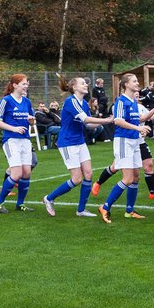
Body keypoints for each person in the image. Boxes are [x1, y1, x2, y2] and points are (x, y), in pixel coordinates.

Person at [42, 76, 114, 217]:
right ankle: (49, 198)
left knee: (88, 174)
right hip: (68, 143)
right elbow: (85, 119)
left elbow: (88, 124)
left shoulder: (84, 104)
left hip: (79, 141)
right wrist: (106, 119)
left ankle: (81, 210)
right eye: (82, 83)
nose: (86, 85)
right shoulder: (71, 101)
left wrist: (108, 122)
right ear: (74, 87)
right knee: (76, 179)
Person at [94, 75, 154, 203]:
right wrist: (138, 129)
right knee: (124, 176)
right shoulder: (121, 101)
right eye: (134, 81)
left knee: (136, 177)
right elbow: (118, 121)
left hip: (134, 142)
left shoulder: (133, 101)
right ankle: (105, 205)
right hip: (124, 141)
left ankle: (129, 210)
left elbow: (141, 119)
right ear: (126, 84)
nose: (138, 83)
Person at [0, 74, 35, 213]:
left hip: (25, 140)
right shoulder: (6, 101)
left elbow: (32, 121)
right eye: (23, 84)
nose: (26, 86)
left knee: (26, 173)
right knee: (16, 174)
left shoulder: (27, 102)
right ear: (15, 85)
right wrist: (13, 128)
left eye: (27, 84)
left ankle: (20, 204)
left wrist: (31, 121)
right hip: (11, 140)